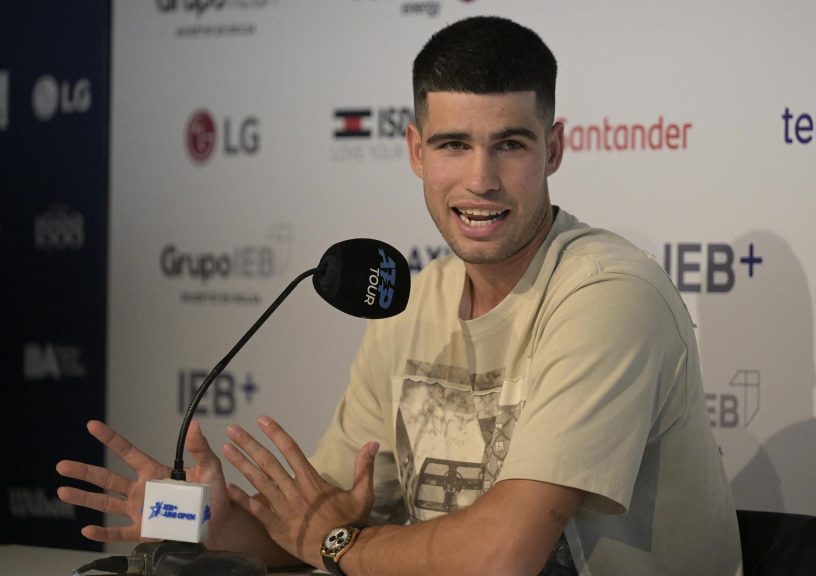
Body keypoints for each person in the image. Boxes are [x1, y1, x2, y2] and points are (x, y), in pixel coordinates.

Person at [57, 15, 742, 576]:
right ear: (416, 151)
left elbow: (499, 557)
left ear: (554, 149)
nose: (481, 179)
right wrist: (206, 522)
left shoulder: (608, 294)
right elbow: (311, 528)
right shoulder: (408, 301)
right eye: (453, 145)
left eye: (510, 144)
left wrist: (339, 544)